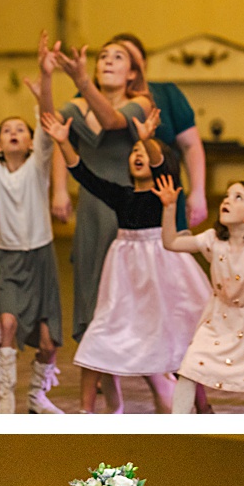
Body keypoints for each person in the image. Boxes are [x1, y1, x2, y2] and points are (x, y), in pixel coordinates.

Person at [43, 109, 211, 415]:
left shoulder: (166, 190)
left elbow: (160, 164)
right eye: (134, 151)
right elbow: (84, 175)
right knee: (101, 332)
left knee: (182, 337)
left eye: (143, 153)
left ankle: (203, 406)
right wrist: (64, 143)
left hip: (163, 266)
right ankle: (85, 411)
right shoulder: (121, 195)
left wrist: (146, 139)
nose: (138, 155)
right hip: (125, 272)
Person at [0, 33, 64, 414]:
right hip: (9, 262)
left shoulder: (38, 167)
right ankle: (6, 395)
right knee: (7, 323)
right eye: (6, 130)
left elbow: (47, 120)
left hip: (41, 258)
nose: (13, 133)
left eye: (20, 130)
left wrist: (45, 81)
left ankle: (35, 396)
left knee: (47, 343)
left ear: (30, 143)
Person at [48, 42, 151, 380]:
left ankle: (156, 382)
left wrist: (81, 81)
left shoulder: (141, 103)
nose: (108, 61)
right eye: (103, 56)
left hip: (126, 208)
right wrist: (47, 76)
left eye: (118, 57)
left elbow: (110, 119)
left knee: (126, 294)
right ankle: (105, 398)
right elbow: (51, 129)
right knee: (92, 290)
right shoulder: (75, 107)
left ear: (132, 73)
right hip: (91, 207)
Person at [163, 178, 244, 414]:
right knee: (190, 367)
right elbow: (171, 242)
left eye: (238, 197)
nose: (227, 200)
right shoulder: (212, 240)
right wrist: (169, 208)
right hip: (218, 318)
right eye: (227, 195)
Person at [107, 33, 209, 229]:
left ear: (142, 64)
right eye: (115, 56)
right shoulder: (93, 98)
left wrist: (198, 191)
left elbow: (191, 145)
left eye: (131, 57)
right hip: (115, 192)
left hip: (163, 191)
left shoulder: (167, 94)